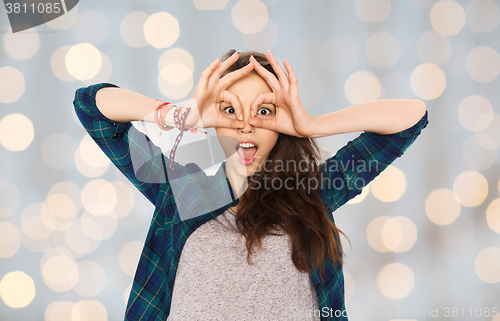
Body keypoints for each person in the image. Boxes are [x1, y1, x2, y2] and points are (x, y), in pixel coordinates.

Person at [73, 49, 429, 321]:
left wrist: (311, 124)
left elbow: (410, 118)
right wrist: (180, 115)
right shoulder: (181, 191)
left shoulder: (314, 193)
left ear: (282, 123)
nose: (245, 125)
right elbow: (91, 106)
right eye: (230, 110)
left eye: (263, 111)